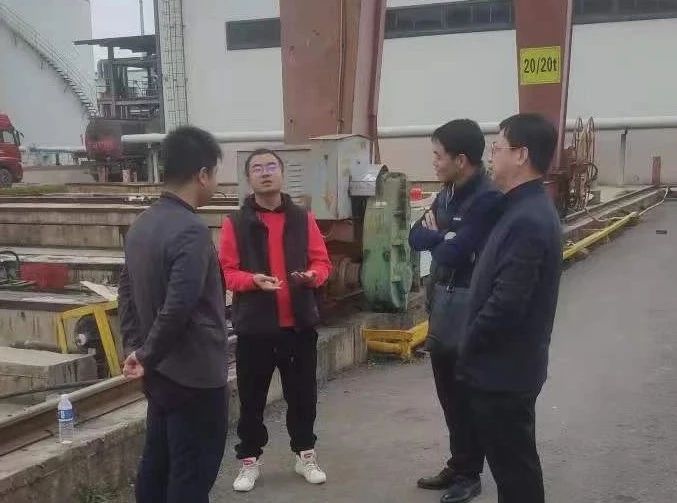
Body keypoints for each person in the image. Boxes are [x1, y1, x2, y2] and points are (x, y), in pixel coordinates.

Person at [118, 126, 229, 503]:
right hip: (195, 377)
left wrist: (136, 349)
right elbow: (179, 305)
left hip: (160, 376)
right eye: (215, 173)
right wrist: (146, 353)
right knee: (191, 475)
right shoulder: (191, 230)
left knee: (158, 464)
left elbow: (126, 291)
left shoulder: (142, 224)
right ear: (203, 174)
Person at [458, 113, 562, 503]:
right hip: (505, 367)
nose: (491, 155)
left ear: (521, 155)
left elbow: (507, 304)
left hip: (504, 371)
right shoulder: (519, 207)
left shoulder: (528, 218)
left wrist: (469, 344)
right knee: (513, 467)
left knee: (516, 472)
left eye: (497, 147)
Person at [219, 148, 332, 492]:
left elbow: (322, 263)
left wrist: (313, 276)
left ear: (282, 174)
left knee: (303, 397)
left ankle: (305, 454)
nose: (265, 173)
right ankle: (249, 460)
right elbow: (228, 272)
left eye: (271, 166)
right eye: (257, 168)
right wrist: (253, 281)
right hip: (255, 328)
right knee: (252, 400)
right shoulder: (236, 222)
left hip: (298, 326)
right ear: (248, 178)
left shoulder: (302, 218)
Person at [409, 119, 502, 503]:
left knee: (466, 393)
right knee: (448, 392)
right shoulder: (446, 194)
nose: (434, 162)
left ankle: (470, 474)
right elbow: (415, 236)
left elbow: (456, 252)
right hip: (443, 303)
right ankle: (459, 461)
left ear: (461, 160)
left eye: (438, 155)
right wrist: (442, 236)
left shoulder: (487, 199)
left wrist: (442, 238)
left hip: (469, 304)